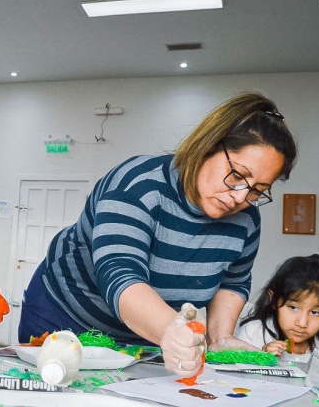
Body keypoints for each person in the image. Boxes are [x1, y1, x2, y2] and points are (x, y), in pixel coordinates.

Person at [18, 92, 298, 379]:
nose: (240, 197)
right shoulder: (137, 186)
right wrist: (172, 330)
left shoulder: (247, 220)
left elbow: (233, 281)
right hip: (64, 314)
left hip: (148, 331)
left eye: (257, 190)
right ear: (208, 146)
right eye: (237, 175)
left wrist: (220, 338)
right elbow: (120, 274)